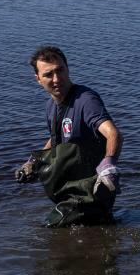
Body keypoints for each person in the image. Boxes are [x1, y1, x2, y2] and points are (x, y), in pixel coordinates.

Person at [16, 46, 123, 226]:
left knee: (52, 228)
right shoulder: (52, 106)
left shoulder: (86, 100)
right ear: (38, 79)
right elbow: (56, 139)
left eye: (60, 70)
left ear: (68, 69)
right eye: (49, 74)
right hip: (70, 189)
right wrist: (33, 163)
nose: (57, 79)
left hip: (92, 188)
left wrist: (109, 164)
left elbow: (113, 133)